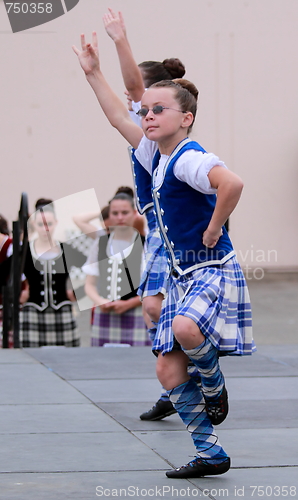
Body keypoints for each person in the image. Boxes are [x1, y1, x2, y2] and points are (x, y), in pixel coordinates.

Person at [73, 32, 254, 478]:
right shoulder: (156, 154)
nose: (148, 116)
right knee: (167, 372)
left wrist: (214, 229)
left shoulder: (191, 156)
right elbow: (119, 115)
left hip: (210, 269)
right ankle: (210, 452)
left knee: (184, 326)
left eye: (158, 110)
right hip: (180, 276)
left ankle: (213, 385)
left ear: (186, 118)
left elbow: (232, 184)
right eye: (147, 112)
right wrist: (93, 74)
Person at [103, 9, 197, 421]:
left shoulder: (155, 125)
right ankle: (175, 383)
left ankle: (191, 376)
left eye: (140, 97)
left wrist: (120, 41)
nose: (134, 102)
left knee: (160, 310)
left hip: (177, 229)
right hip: (158, 225)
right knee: (151, 309)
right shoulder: (147, 133)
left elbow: (130, 92)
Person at [83, 193, 150, 346]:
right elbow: (89, 283)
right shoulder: (100, 244)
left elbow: (152, 287)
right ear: (109, 216)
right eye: (115, 213)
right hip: (105, 313)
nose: (120, 217)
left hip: (137, 313)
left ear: (134, 214)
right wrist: (100, 301)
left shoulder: (146, 244)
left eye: (125, 213)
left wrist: (129, 304)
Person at [19, 199, 80, 347]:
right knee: (31, 358)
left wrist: (78, 292)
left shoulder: (66, 250)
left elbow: (93, 270)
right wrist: (18, 293)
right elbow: (6, 275)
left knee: (67, 359)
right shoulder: (25, 251)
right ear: (34, 224)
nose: (45, 228)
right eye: (41, 224)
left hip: (62, 312)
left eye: (49, 224)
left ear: (56, 223)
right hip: (32, 312)